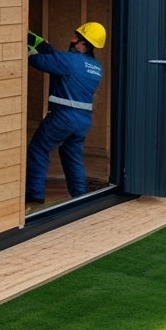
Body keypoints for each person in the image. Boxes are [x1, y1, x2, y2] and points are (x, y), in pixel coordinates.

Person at [25, 22, 106, 205]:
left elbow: (37, 60)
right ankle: (79, 197)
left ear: (82, 42)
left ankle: (35, 195)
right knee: (72, 155)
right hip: (83, 121)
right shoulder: (96, 68)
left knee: (38, 149)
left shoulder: (69, 60)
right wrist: (42, 44)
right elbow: (58, 59)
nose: (72, 38)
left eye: (75, 36)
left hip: (63, 117)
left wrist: (25, 46)